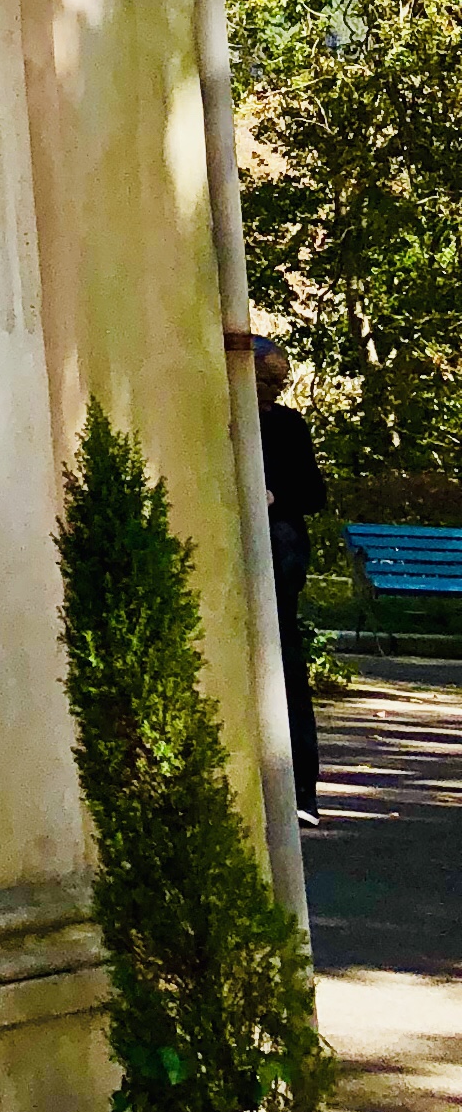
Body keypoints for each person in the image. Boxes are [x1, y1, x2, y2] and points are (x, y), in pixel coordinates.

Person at [254, 337, 328, 830]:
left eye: (279, 381)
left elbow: (314, 493)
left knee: (284, 664)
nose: (274, 389)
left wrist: (275, 496)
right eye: (267, 379)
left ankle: (302, 791)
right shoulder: (220, 415)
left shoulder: (286, 425)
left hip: (279, 553)